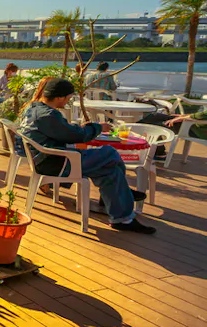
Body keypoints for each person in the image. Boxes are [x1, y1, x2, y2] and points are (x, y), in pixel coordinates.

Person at [16, 77, 153, 233]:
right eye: (68, 98)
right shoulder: (48, 115)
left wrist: (79, 128)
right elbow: (76, 136)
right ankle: (124, 195)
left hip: (48, 159)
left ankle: (122, 218)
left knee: (110, 171)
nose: (68, 101)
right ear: (59, 97)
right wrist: (98, 128)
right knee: (110, 153)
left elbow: (63, 131)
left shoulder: (33, 108)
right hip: (57, 163)